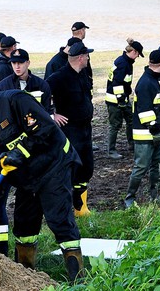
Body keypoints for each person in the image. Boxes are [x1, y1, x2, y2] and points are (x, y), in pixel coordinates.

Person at [0, 82, 84, 281]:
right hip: (27, 177)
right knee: (24, 226)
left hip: (53, 166)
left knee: (59, 220)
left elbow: (45, 130)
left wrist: (18, 152)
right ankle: (26, 278)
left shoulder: (15, 101)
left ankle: (78, 278)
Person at [47, 41, 95, 217]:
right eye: (87, 55)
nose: (88, 58)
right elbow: (41, 95)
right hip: (70, 130)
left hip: (85, 129)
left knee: (86, 167)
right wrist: (52, 114)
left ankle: (81, 208)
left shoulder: (82, 74)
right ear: (81, 57)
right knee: (71, 167)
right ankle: (68, 208)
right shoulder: (59, 77)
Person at [125, 49, 160, 208]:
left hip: (155, 133)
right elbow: (144, 111)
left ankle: (155, 196)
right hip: (145, 135)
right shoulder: (146, 83)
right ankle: (129, 199)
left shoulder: (152, 79)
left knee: (156, 166)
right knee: (141, 167)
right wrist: (155, 130)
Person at [105, 39, 143, 159]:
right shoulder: (123, 63)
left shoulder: (126, 61)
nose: (137, 57)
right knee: (115, 125)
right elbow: (117, 83)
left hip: (123, 98)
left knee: (131, 120)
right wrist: (120, 99)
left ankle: (132, 144)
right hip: (115, 100)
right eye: (138, 54)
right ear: (134, 51)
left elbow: (124, 81)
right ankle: (111, 150)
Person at [0, 48, 53, 114]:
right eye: (14, 63)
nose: (17, 67)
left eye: (20, 62)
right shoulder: (1, 87)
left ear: (28, 63)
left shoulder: (42, 85)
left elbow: (47, 111)